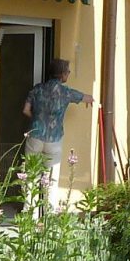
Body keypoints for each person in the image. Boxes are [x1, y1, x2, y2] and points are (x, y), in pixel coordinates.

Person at [22, 58, 91, 211]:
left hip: (35, 136)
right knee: (51, 179)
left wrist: (37, 121)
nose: (69, 74)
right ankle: (49, 214)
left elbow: (26, 110)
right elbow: (87, 97)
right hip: (54, 140)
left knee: (31, 177)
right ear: (62, 74)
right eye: (68, 72)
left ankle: (29, 214)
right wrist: (91, 100)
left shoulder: (37, 89)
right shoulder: (66, 92)